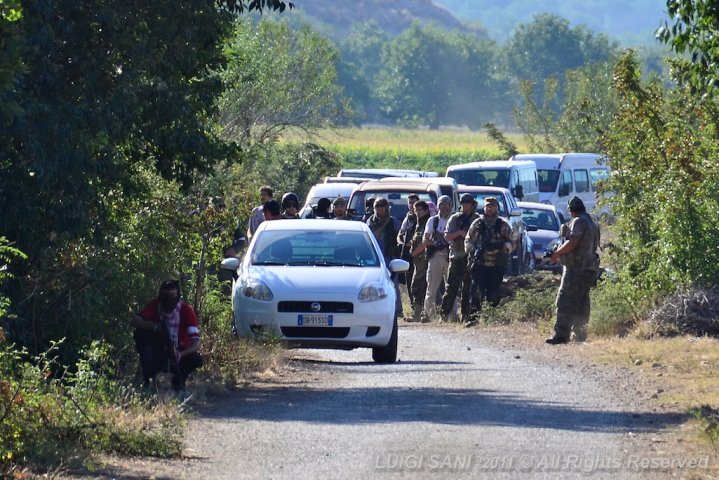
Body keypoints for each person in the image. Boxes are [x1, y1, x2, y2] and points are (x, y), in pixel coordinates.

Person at [130, 280, 203, 392]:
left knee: (196, 359)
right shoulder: (155, 305)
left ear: (177, 296)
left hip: (178, 351)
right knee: (141, 334)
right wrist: (154, 327)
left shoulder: (186, 310)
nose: (169, 300)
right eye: (165, 295)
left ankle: (179, 380)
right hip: (158, 351)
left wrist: (181, 354)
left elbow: (196, 343)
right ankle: (148, 379)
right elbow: (135, 321)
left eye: (172, 296)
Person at [546, 196, 600, 344]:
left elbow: (573, 241)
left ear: (571, 210)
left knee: (565, 300)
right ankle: (580, 335)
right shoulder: (592, 222)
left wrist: (557, 253)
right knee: (582, 301)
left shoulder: (578, 221)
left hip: (576, 268)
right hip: (589, 268)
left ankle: (561, 335)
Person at [465, 197, 513, 327]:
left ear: (497, 208)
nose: (490, 208)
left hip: (496, 265)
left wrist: (504, 247)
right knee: (476, 291)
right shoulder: (477, 224)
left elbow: (512, 241)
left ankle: (491, 319)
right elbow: (468, 240)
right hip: (480, 264)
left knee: (493, 292)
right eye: (487, 206)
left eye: (492, 206)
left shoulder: (503, 225)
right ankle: (473, 318)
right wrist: (473, 249)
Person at [440, 193, 480, 323]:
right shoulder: (455, 218)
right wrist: (460, 233)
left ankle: (466, 315)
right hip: (456, 256)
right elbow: (446, 237)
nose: (466, 206)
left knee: (468, 288)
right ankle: (444, 315)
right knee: (451, 287)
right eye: (463, 204)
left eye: (468, 204)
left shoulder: (477, 219)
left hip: (471, 257)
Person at [367, 198, 403, 316]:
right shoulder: (369, 222)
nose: (380, 208)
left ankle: (397, 310)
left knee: (392, 284)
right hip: (373, 258)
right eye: (377, 205)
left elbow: (400, 237)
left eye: (382, 205)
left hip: (389, 256)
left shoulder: (393, 222)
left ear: (387, 208)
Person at [422, 195, 453, 322]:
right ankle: (429, 314)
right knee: (432, 287)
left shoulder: (454, 219)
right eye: (442, 204)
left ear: (451, 206)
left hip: (451, 257)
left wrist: (448, 245)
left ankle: (451, 315)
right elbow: (425, 239)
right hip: (435, 257)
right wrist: (437, 244)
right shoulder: (432, 221)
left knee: (452, 287)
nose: (444, 206)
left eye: (447, 204)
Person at [407, 200, 431, 322]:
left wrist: (414, 252)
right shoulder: (417, 223)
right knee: (416, 287)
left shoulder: (428, 222)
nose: (418, 213)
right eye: (416, 210)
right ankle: (417, 312)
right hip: (418, 261)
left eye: (420, 210)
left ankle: (422, 313)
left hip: (425, 259)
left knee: (418, 286)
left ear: (426, 210)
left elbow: (425, 241)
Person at [397, 194, 420, 307]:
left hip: (418, 254)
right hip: (406, 252)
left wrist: (411, 243)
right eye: (409, 203)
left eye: (413, 203)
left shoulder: (421, 218)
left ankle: (418, 307)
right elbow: (401, 234)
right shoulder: (408, 217)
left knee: (417, 282)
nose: (411, 205)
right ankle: (412, 305)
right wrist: (402, 242)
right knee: (408, 280)